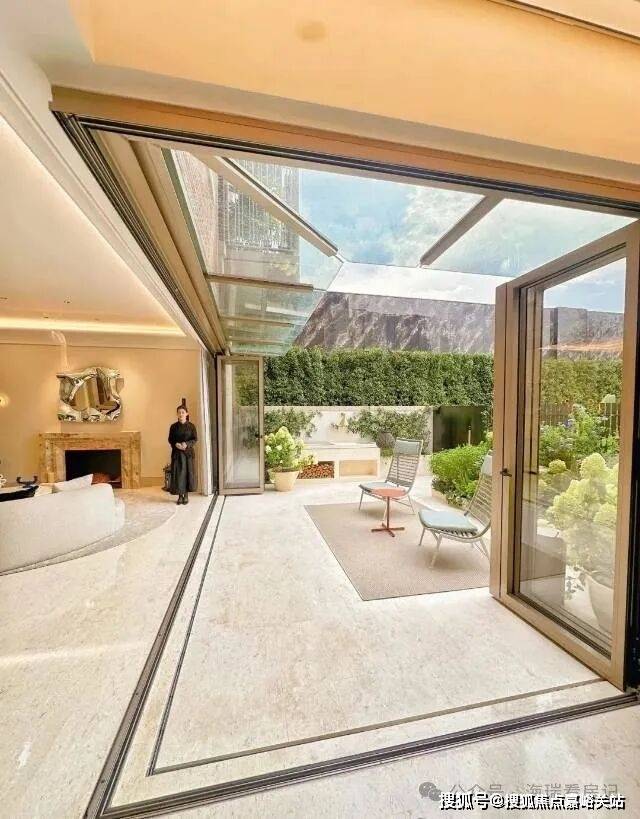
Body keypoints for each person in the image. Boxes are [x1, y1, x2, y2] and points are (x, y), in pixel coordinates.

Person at [168, 406, 197, 504]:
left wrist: (186, 444)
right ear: (177, 414)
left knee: (187, 474)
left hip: (188, 454)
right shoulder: (173, 427)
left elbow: (195, 439)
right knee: (179, 475)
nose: (181, 414)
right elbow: (170, 439)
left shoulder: (191, 426)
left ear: (186, 414)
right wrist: (176, 444)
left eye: (183, 412)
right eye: (179, 412)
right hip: (177, 454)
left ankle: (186, 495)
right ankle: (180, 496)